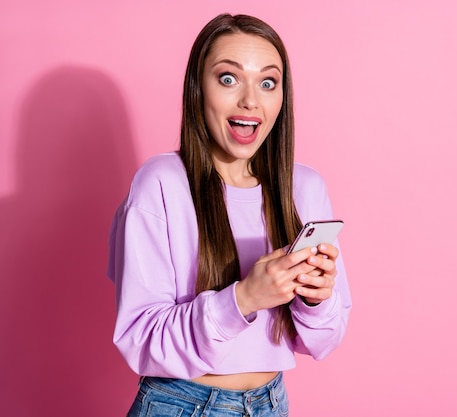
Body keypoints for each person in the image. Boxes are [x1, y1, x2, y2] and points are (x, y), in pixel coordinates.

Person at [107, 13, 351, 417]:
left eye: (268, 83)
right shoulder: (161, 183)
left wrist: (314, 299)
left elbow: (324, 341)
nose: (250, 100)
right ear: (196, 90)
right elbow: (141, 340)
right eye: (228, 78)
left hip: (271, 402)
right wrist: (245, 298)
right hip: (178, 403)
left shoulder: (305, 187)